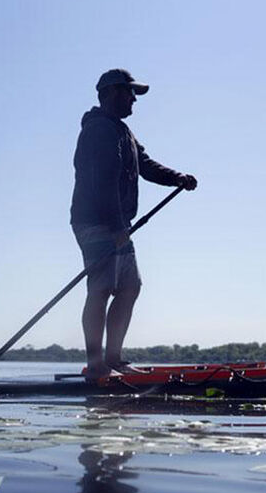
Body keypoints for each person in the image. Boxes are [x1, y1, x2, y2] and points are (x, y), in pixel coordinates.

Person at [70, 69, 197, 379]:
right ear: (112, 93)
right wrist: (116, 227)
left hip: (118, 224)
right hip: (96, 222)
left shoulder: (123, 131)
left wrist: (175, 178)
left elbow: (145, 164)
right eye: (130, 93)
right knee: (101, 288)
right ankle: (96, 364)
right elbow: (103, 182)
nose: (134, 100)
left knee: (129, 287)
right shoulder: (99, 130)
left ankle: (114, 359)